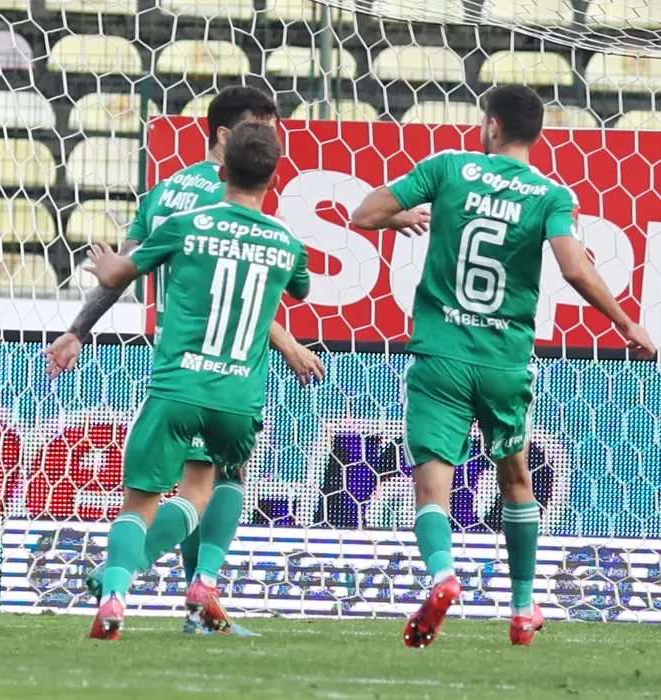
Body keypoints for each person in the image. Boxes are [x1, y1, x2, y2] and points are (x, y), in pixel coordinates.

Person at [350, 84, 656, 648]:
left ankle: (444, 576)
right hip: (505, 362)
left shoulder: (448, 167)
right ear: (537, 133)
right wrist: (625, 323)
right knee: (516, 480)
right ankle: (521, 608)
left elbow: (364, 214)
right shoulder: (550, 194)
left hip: (440, 354)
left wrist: (400, 219)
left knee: (431, 492)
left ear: (491, 125)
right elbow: (575, 270)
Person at [44, 86, 323, 635]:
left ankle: (147, 592)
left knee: (163, 492)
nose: (268, 137)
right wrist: (288, 343)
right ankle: (192, 592)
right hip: (233, 378)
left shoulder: (165, 195)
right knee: (214, 483)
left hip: (177, 368)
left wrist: (79, 328)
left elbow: (123, 270)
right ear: (227, 138)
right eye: (260, 129)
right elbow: (247, 287)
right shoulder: (259, 222)